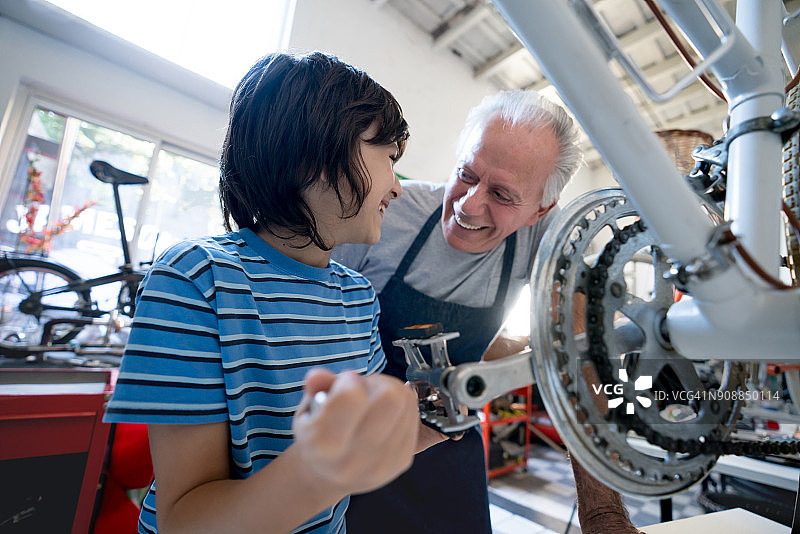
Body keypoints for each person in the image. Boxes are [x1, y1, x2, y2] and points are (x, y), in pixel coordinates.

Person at [104, 51, 436, 534]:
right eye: (388, 158)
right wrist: (315, 474)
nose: (397, 187)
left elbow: (358, 447)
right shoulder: (197, 279)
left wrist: (438, 417)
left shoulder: (358, 298)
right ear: (318, 155)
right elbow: (184, 520)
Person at [333, 89, 642, 534]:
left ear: (541, 210)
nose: (468, 205)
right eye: (466, 174)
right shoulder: (386, 217)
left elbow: (578, 356)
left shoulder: (547, 239)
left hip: (450, 455)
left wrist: (603, 516)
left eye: (501, 194)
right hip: (357, 451)